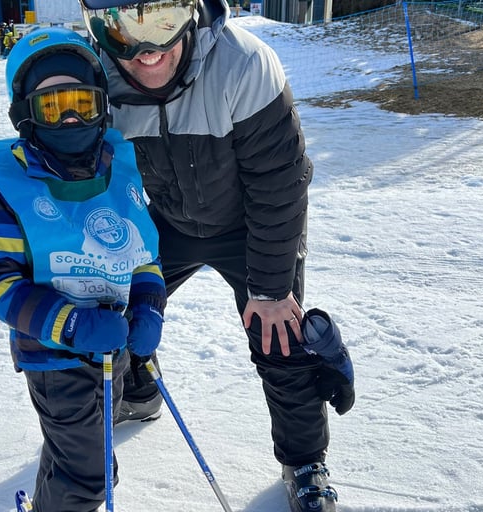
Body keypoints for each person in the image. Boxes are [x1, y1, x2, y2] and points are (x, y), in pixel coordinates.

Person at [78, 1, 356, 511]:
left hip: (249, 222)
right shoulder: (95, 78)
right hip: (162, 220)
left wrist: (271, 290)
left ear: (191, 10)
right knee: (111, 306)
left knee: (279, 334)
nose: (147, 51)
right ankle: (138, 390)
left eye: (162, 21)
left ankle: (304, 460)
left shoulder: (244, 64)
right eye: (121, 29)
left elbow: (279, 184)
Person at [0, 27, 167, 512]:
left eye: (82, 104)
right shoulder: (2, 189)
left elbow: (145, 257)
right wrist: (71, 324)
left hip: (116, 350)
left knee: (83, 449)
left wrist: (149, 308)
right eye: (52, 107)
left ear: (102, 107)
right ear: (25, 114)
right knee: (91, 476)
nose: (70, 118)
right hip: (54, 358)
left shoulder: (119, 172)